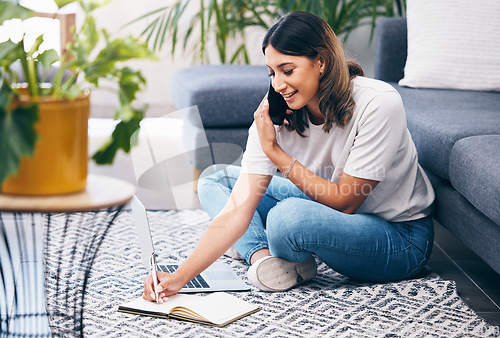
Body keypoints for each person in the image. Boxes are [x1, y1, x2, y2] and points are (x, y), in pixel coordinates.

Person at [143, 11, 435, 302]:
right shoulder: (276, 113)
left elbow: (346, 201)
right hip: (325, 209)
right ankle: (264, 260)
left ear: (320, 61)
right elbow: (236, 211)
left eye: (287, 70)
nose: (278, 85)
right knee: (216, 179)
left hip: (401, 237)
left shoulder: (378, 103)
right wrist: (179, 277)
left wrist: (275, 153)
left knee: (287, 219)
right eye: (271, 73)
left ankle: (274, 245)